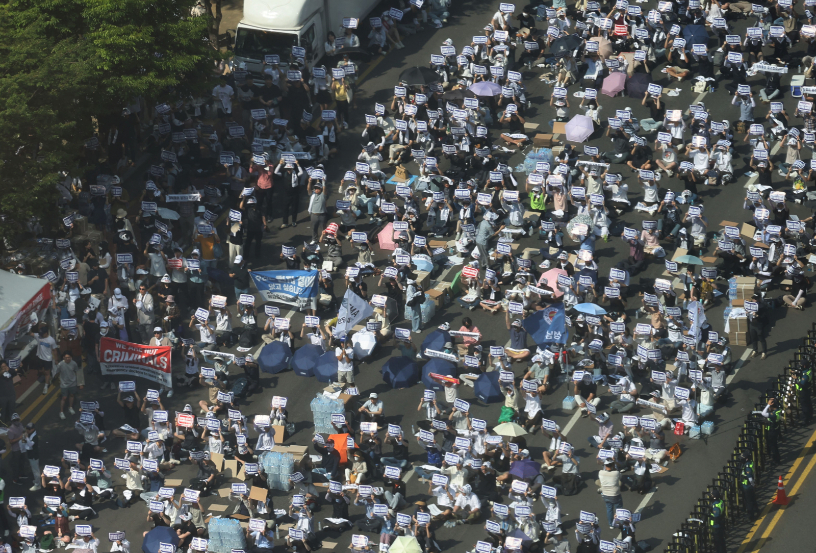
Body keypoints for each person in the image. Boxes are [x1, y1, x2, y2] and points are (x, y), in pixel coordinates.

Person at [30, 325, 58, 395]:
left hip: (47, 359)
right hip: (40, 358)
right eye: (40, 334)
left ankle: (46, 385)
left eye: (42, 334)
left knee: (47, 372)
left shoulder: (51, 340)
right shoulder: (38, 336)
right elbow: (30, 333)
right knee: (41, 371)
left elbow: (54, 350)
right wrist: (28, 326)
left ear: (46, 333)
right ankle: (48, 378)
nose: (41, 335)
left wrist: (56, 359)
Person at [598, 459, 623, 529]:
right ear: (613, 465)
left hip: (605, 494)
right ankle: (621, 523)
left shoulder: (600, 472)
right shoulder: (616, 473)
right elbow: (620, 476)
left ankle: (611, 524)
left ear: (605, 465)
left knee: (609, 509)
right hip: (615, 494)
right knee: (619, 509)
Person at [55, 352, 80, 420]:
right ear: (63, 357)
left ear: (71, 357)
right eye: (66, 357)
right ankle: (61, 411)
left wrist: (79, 382)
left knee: (72, 395)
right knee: (64, 397)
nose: (67, 359)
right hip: (64, 384)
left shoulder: (74, 363)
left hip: (72, 383)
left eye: (69, 357)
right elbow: (57, 372)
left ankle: (70, 407)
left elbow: (76, 371)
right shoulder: (60, 364)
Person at [739, 451, 759, 521]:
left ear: (746, 459)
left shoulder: (747, 467)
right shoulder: (748, 463)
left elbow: (750, 477)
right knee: (753, 499)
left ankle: (751, 516)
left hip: (747, 487)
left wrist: (753, 485)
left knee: (749, 502)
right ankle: (757, 510)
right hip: (748, 486)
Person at [709, 488, 726, 553]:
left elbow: (716, 517)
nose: (711, 497)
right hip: (721, 524)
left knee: (718, 543)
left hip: (716, 527)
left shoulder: (715, 506)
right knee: (722, 541)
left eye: (712, 496)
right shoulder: (720, 501)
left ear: (714, 497)